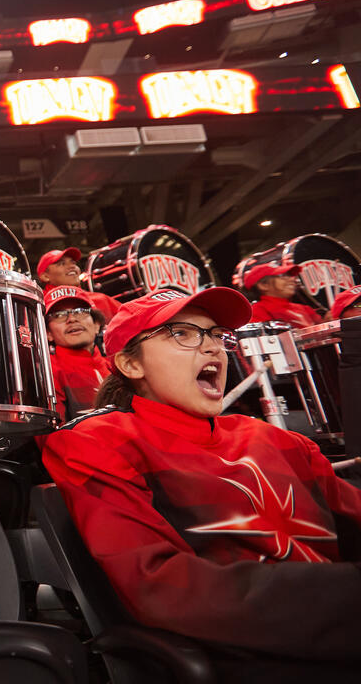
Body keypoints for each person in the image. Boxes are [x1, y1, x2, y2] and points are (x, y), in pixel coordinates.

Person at [43, 287, 361, 678]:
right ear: (130, 364)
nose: (212, 348)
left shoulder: (278, 439)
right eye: (184, 333)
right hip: (257, 657)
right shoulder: (98, 442)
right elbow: (160, 588)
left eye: (215, 335)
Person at [44, 285, 112, 421]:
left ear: (97, 324)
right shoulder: (47, 373)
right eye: (59, 315)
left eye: (80, 311)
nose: (72, 319)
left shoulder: (117, 367)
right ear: (48, 333)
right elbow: (52, 438)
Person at [36, 246, 120, 318]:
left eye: (73, 262)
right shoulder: (37, 305)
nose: (72, 266)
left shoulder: (101, 300)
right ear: (45, 276)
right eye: (61, 264)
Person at [243, 262, 322, 327]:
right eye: (282, 276)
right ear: (263, 285)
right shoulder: (257, 311)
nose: (292, 279)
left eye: (290, 275)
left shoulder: (305, 308)